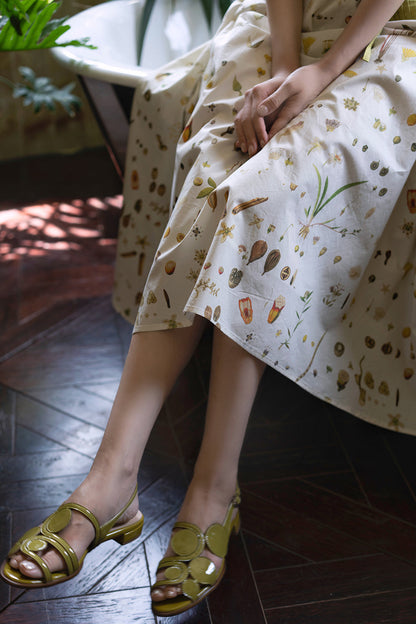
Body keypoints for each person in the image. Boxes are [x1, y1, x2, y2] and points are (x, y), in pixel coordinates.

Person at [1, 0, 415, 617]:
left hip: (392, 29)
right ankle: (111, 478)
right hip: (282, 22)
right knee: (214, 184)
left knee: (261, 200)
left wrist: (323, 70)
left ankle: (213, 489)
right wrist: (282, 66)